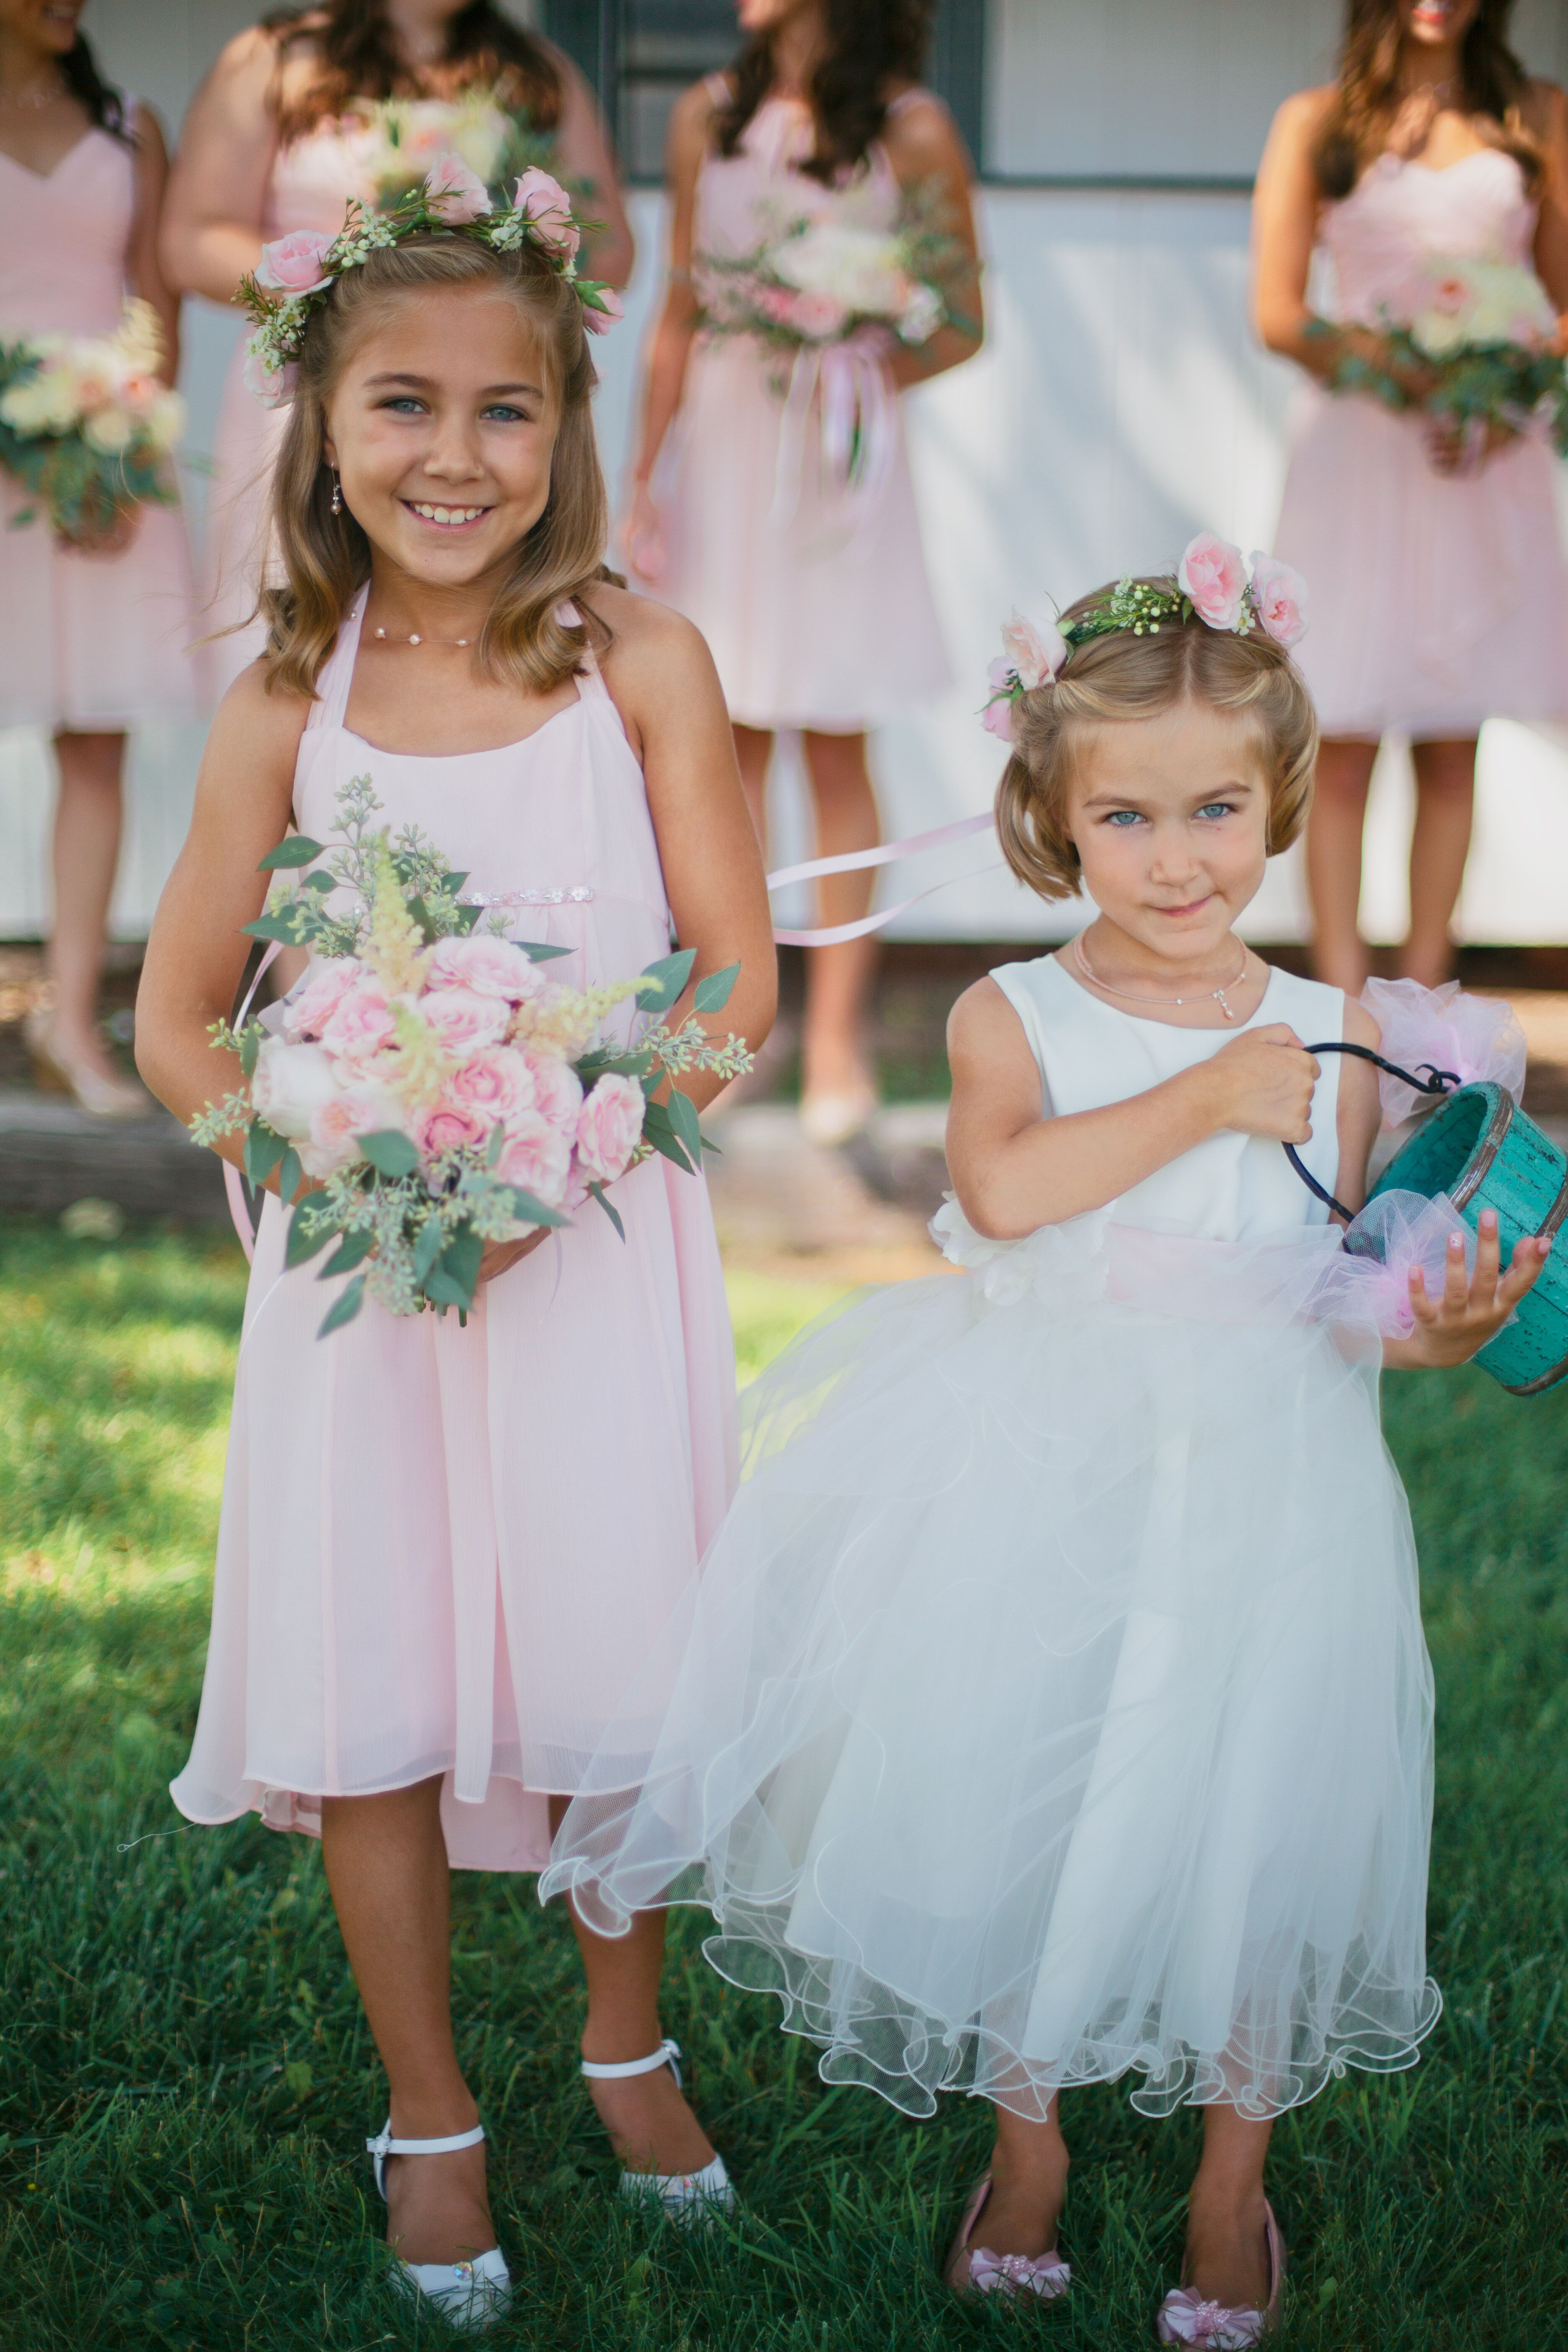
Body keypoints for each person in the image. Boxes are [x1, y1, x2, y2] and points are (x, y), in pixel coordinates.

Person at [543, 543, 1546, 2339]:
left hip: (1274, 1487)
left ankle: (1233, 2189)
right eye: (1131, 820)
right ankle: (1032, 2147)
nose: (1181, 860)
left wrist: (1445, 1319)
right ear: (1055, 821)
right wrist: (1193, 1098)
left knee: (1252, 1807)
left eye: (1220, 811)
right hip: (1052, 1470)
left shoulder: (1337, 1034)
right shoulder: (1020, 1014)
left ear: (1283, 804)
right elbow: (1002, 1195)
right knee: (1048, 1787)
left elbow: (1364, 1282)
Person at [134, 175, 774, 2331]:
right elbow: (170, 1017)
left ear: (566, 427)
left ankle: (626, 2037)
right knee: (378, 1675)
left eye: (507, 413)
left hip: (593, 1249)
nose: (453, 459)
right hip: (371, 1290)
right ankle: (428, 2113)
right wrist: (333, 1145)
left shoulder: (642, 664)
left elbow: (739, 978)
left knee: (619, 1660)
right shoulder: (283, 701)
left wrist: (571, 1134)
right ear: (317, 424)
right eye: (401, 406)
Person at [625, 0, 982, 1145]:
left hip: (838, 472)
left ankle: (839, 1033)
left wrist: (857, 374)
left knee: (834, 736)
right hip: (725, 452)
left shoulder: (910, 130)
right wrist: (639, 470)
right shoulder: (706, 118)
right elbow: (679, 304)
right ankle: (743, 1018)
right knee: (725, 742)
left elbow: (964, 318)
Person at [160, 0, 635, 695]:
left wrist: (489, 266)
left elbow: (611, 248)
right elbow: (191, 242)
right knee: (298, 655)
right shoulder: (274, 58)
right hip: (315, 394)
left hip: (477, 396)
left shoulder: (536, 70)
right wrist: (359, 271)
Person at [1253, 0, 1568, 994]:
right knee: (1340, 744)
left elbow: (1559, 303)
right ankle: (1343, 1001)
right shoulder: (1316, 123)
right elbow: (1279, 313)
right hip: (1361, 454)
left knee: (1450, 744)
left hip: (1477, 454)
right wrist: (1399, 365)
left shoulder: (1537, 117)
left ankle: (1429, 1006)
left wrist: (1490, 375)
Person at [0, 0, 201, 1116]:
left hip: (109, 466)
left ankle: (72, 1027)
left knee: (94, 746)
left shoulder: (131, 125)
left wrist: (123, 450)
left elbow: (153, 297)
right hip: (0, 463)